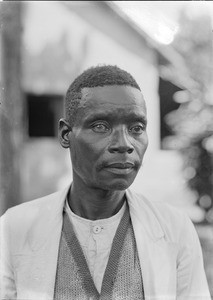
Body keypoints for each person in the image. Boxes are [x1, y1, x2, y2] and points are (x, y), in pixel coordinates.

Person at [0, 65, 211, 300]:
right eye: (100, 126)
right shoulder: (14, 228)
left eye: (136, 128)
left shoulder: (174, 228)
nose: (124, 144)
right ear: (66, 134)